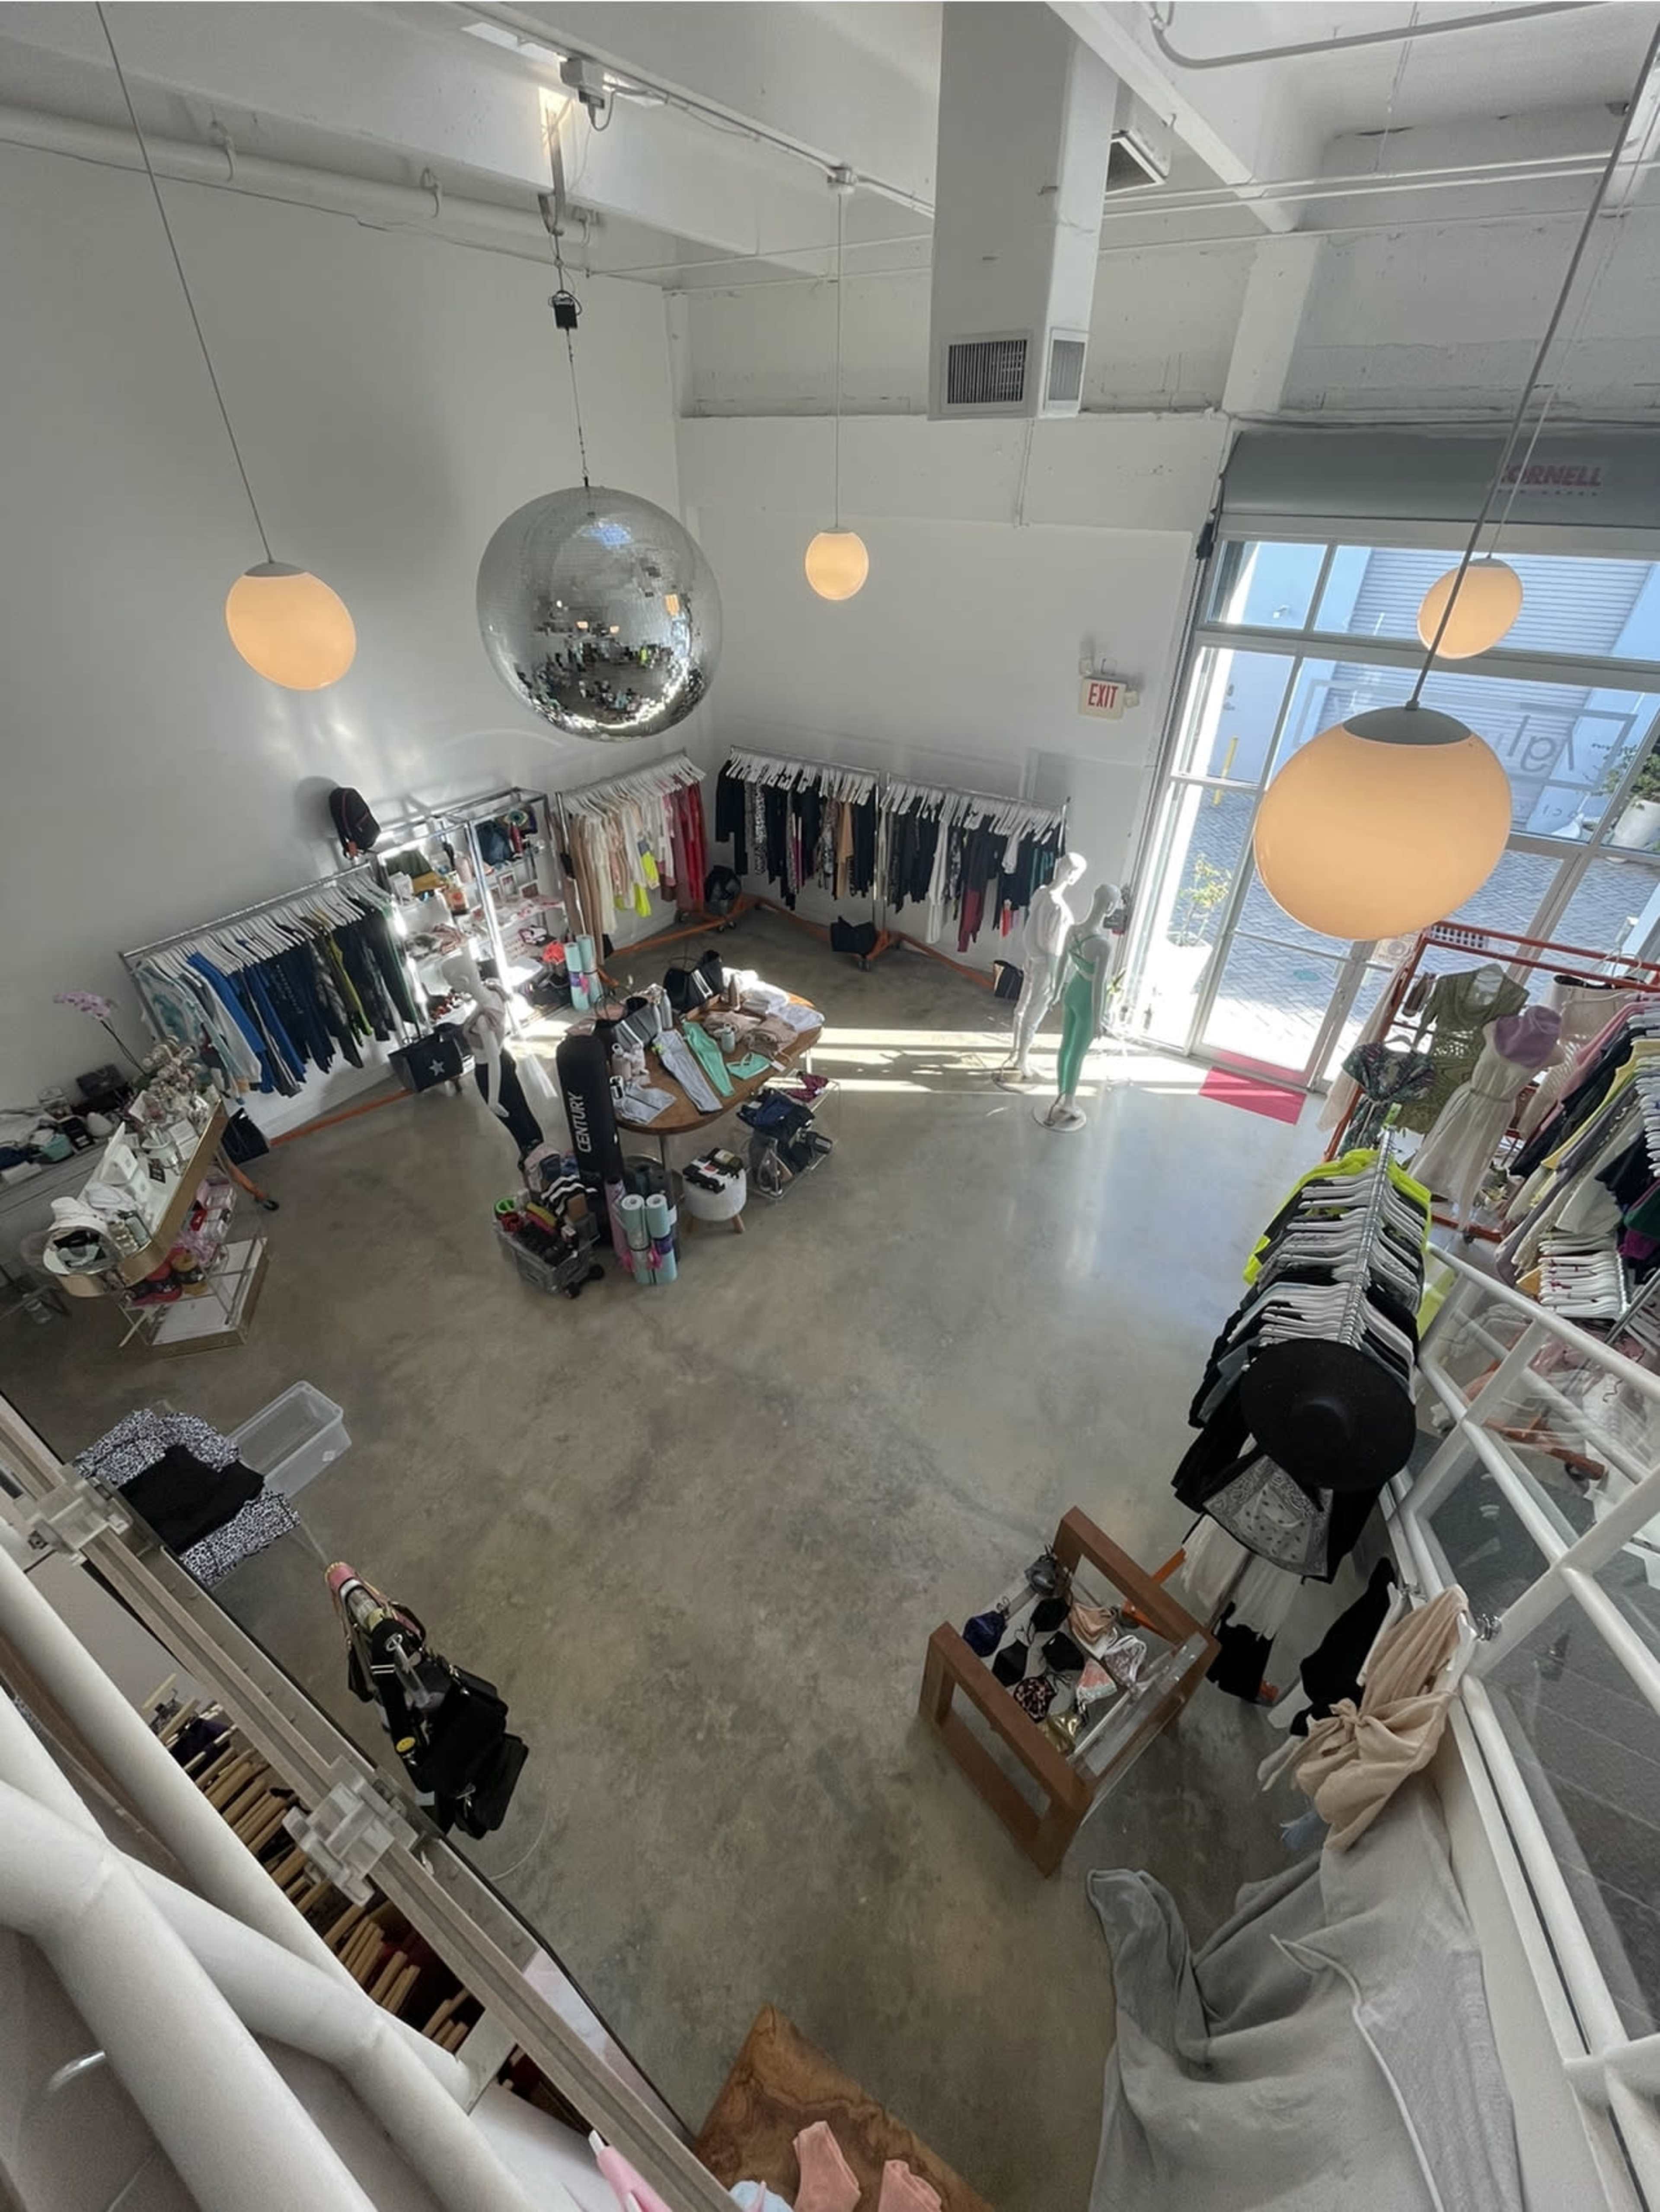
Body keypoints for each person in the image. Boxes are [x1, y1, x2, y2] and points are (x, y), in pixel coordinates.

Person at [440, 950, 545, 1162]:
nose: (451, 987)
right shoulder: (494, 993)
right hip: (504, 1058)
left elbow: (492, 1061)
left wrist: (493, 1099)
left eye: (451, 982)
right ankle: (539, 1150)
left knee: (516, 1120)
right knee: (522, 1110)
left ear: (463, 980)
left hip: (491, 1070)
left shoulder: (483, 1020)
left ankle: (535, 1157)